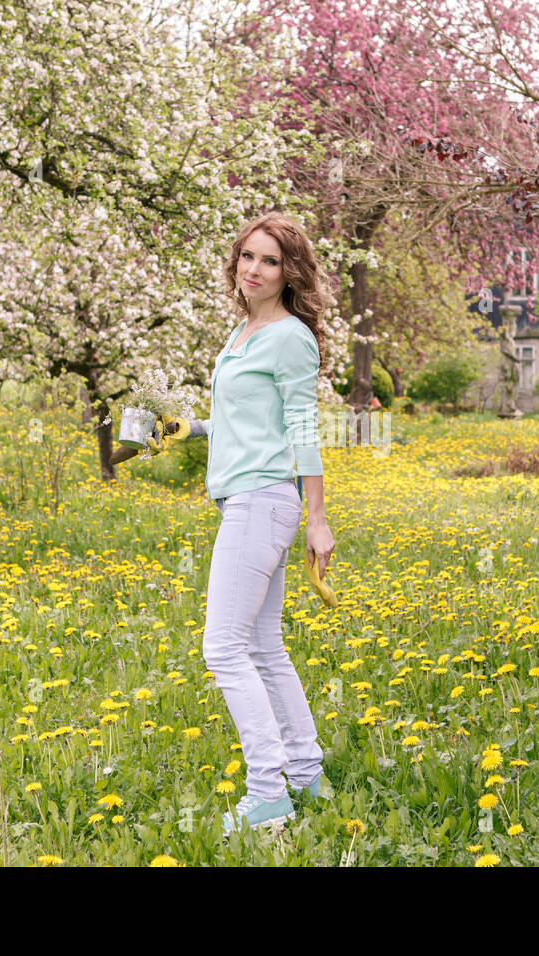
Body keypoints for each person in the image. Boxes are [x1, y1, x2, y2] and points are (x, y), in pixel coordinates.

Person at [180, 212, 337, 835]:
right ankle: (305, 773)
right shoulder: (242, 331)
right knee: (262, 647)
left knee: (222, 649)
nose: (254, 268)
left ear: (289, 270)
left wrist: (318, 518)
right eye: (248, 255)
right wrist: (192, 429)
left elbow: (301, 430)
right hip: (245, 497)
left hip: (262, 501)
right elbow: (253, 425)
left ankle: (266, 794)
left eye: (269, 260)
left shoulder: (289, 335)